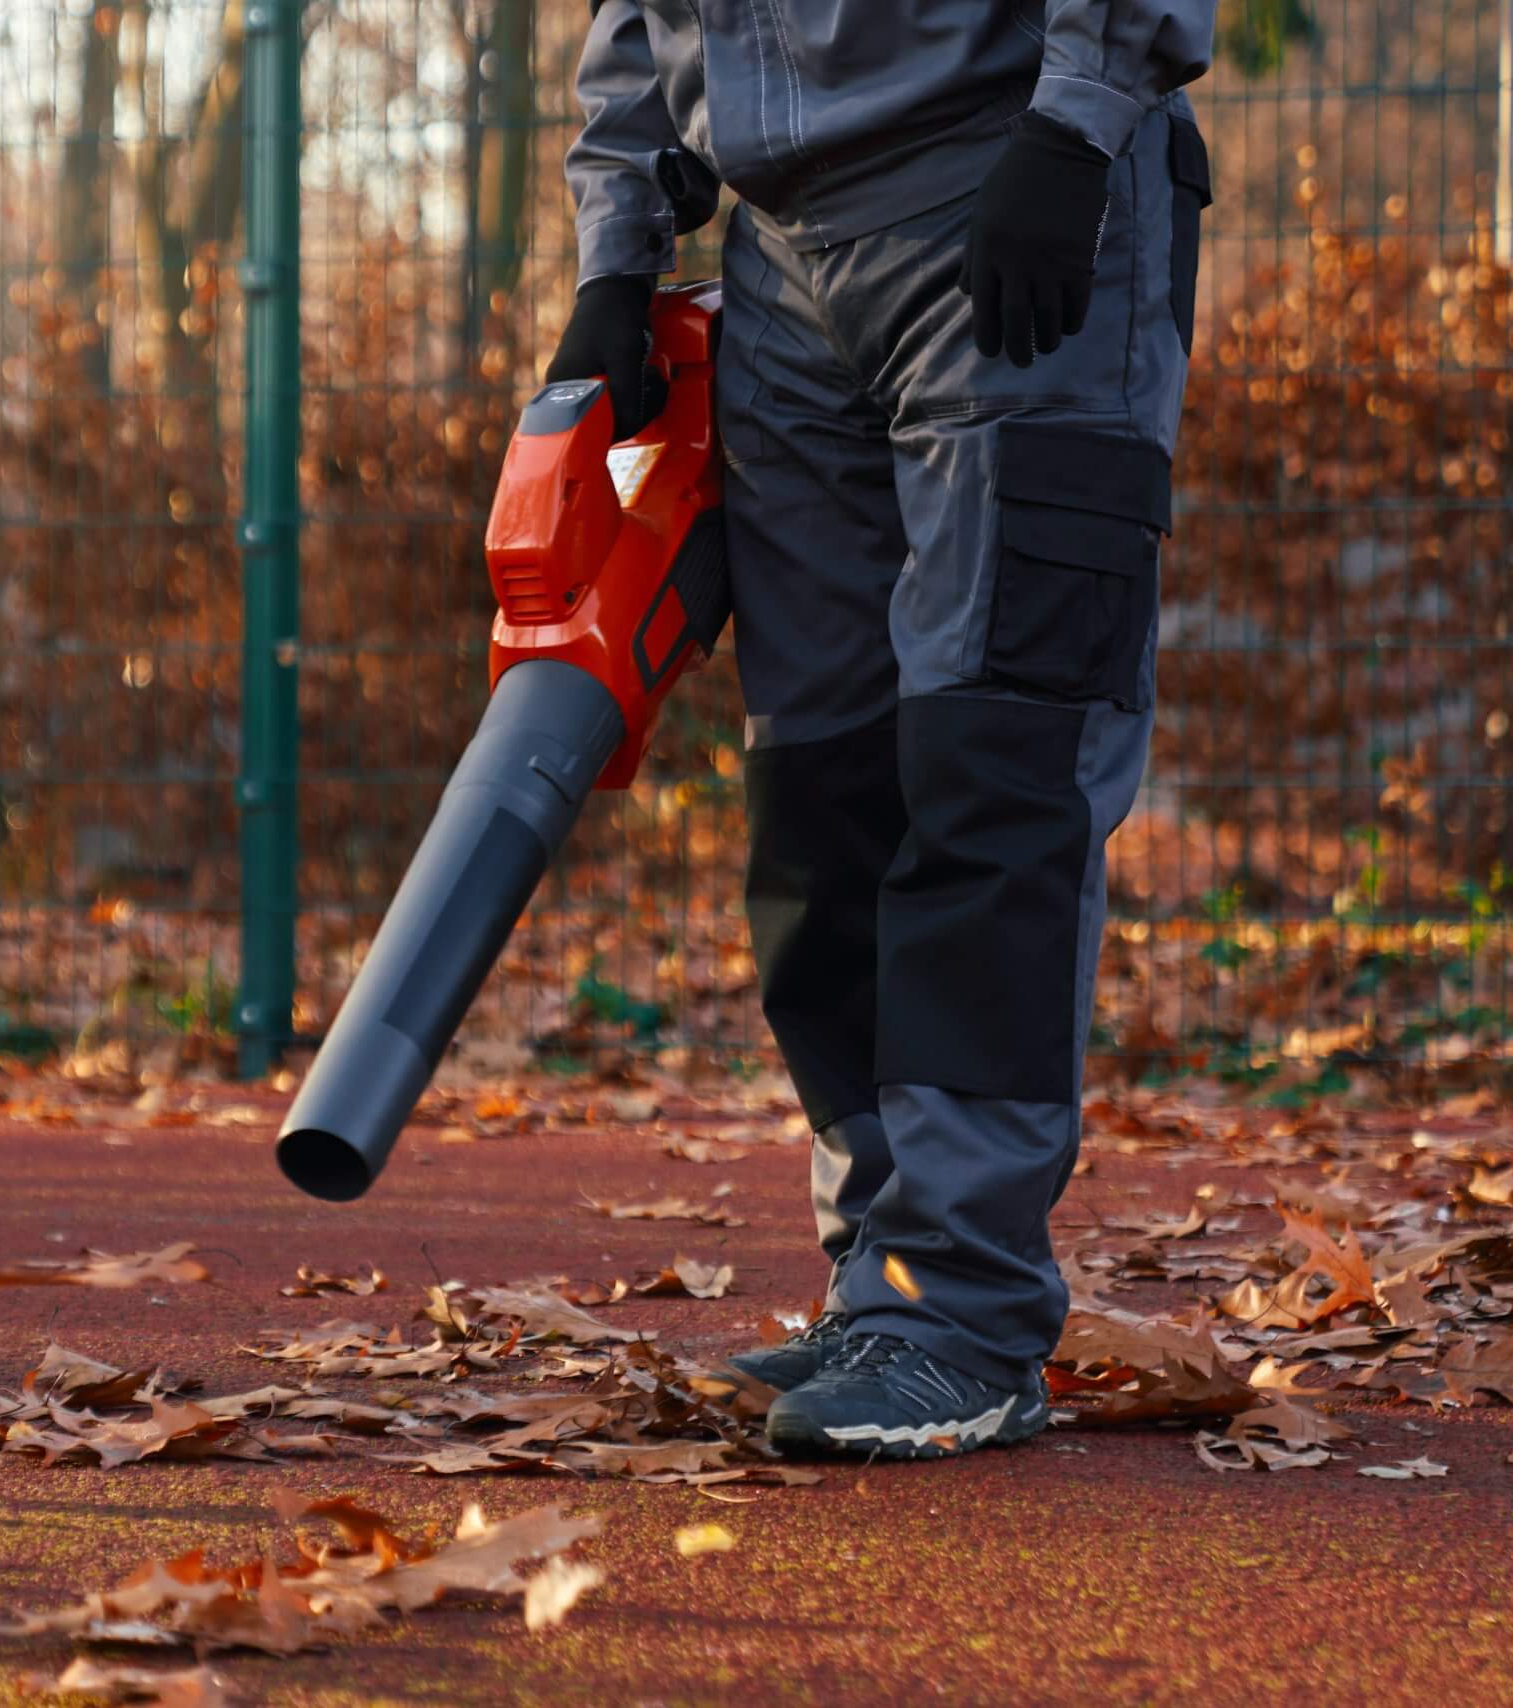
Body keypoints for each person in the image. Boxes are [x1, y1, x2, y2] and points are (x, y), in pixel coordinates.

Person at [549, 0, 1216, 1459]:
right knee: (822, 792)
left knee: (995, 765)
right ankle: (885, 1285)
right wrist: (622, 249)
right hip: (784, 260)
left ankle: (962, 1313)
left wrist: (1077, 117)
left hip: (1018, 190)